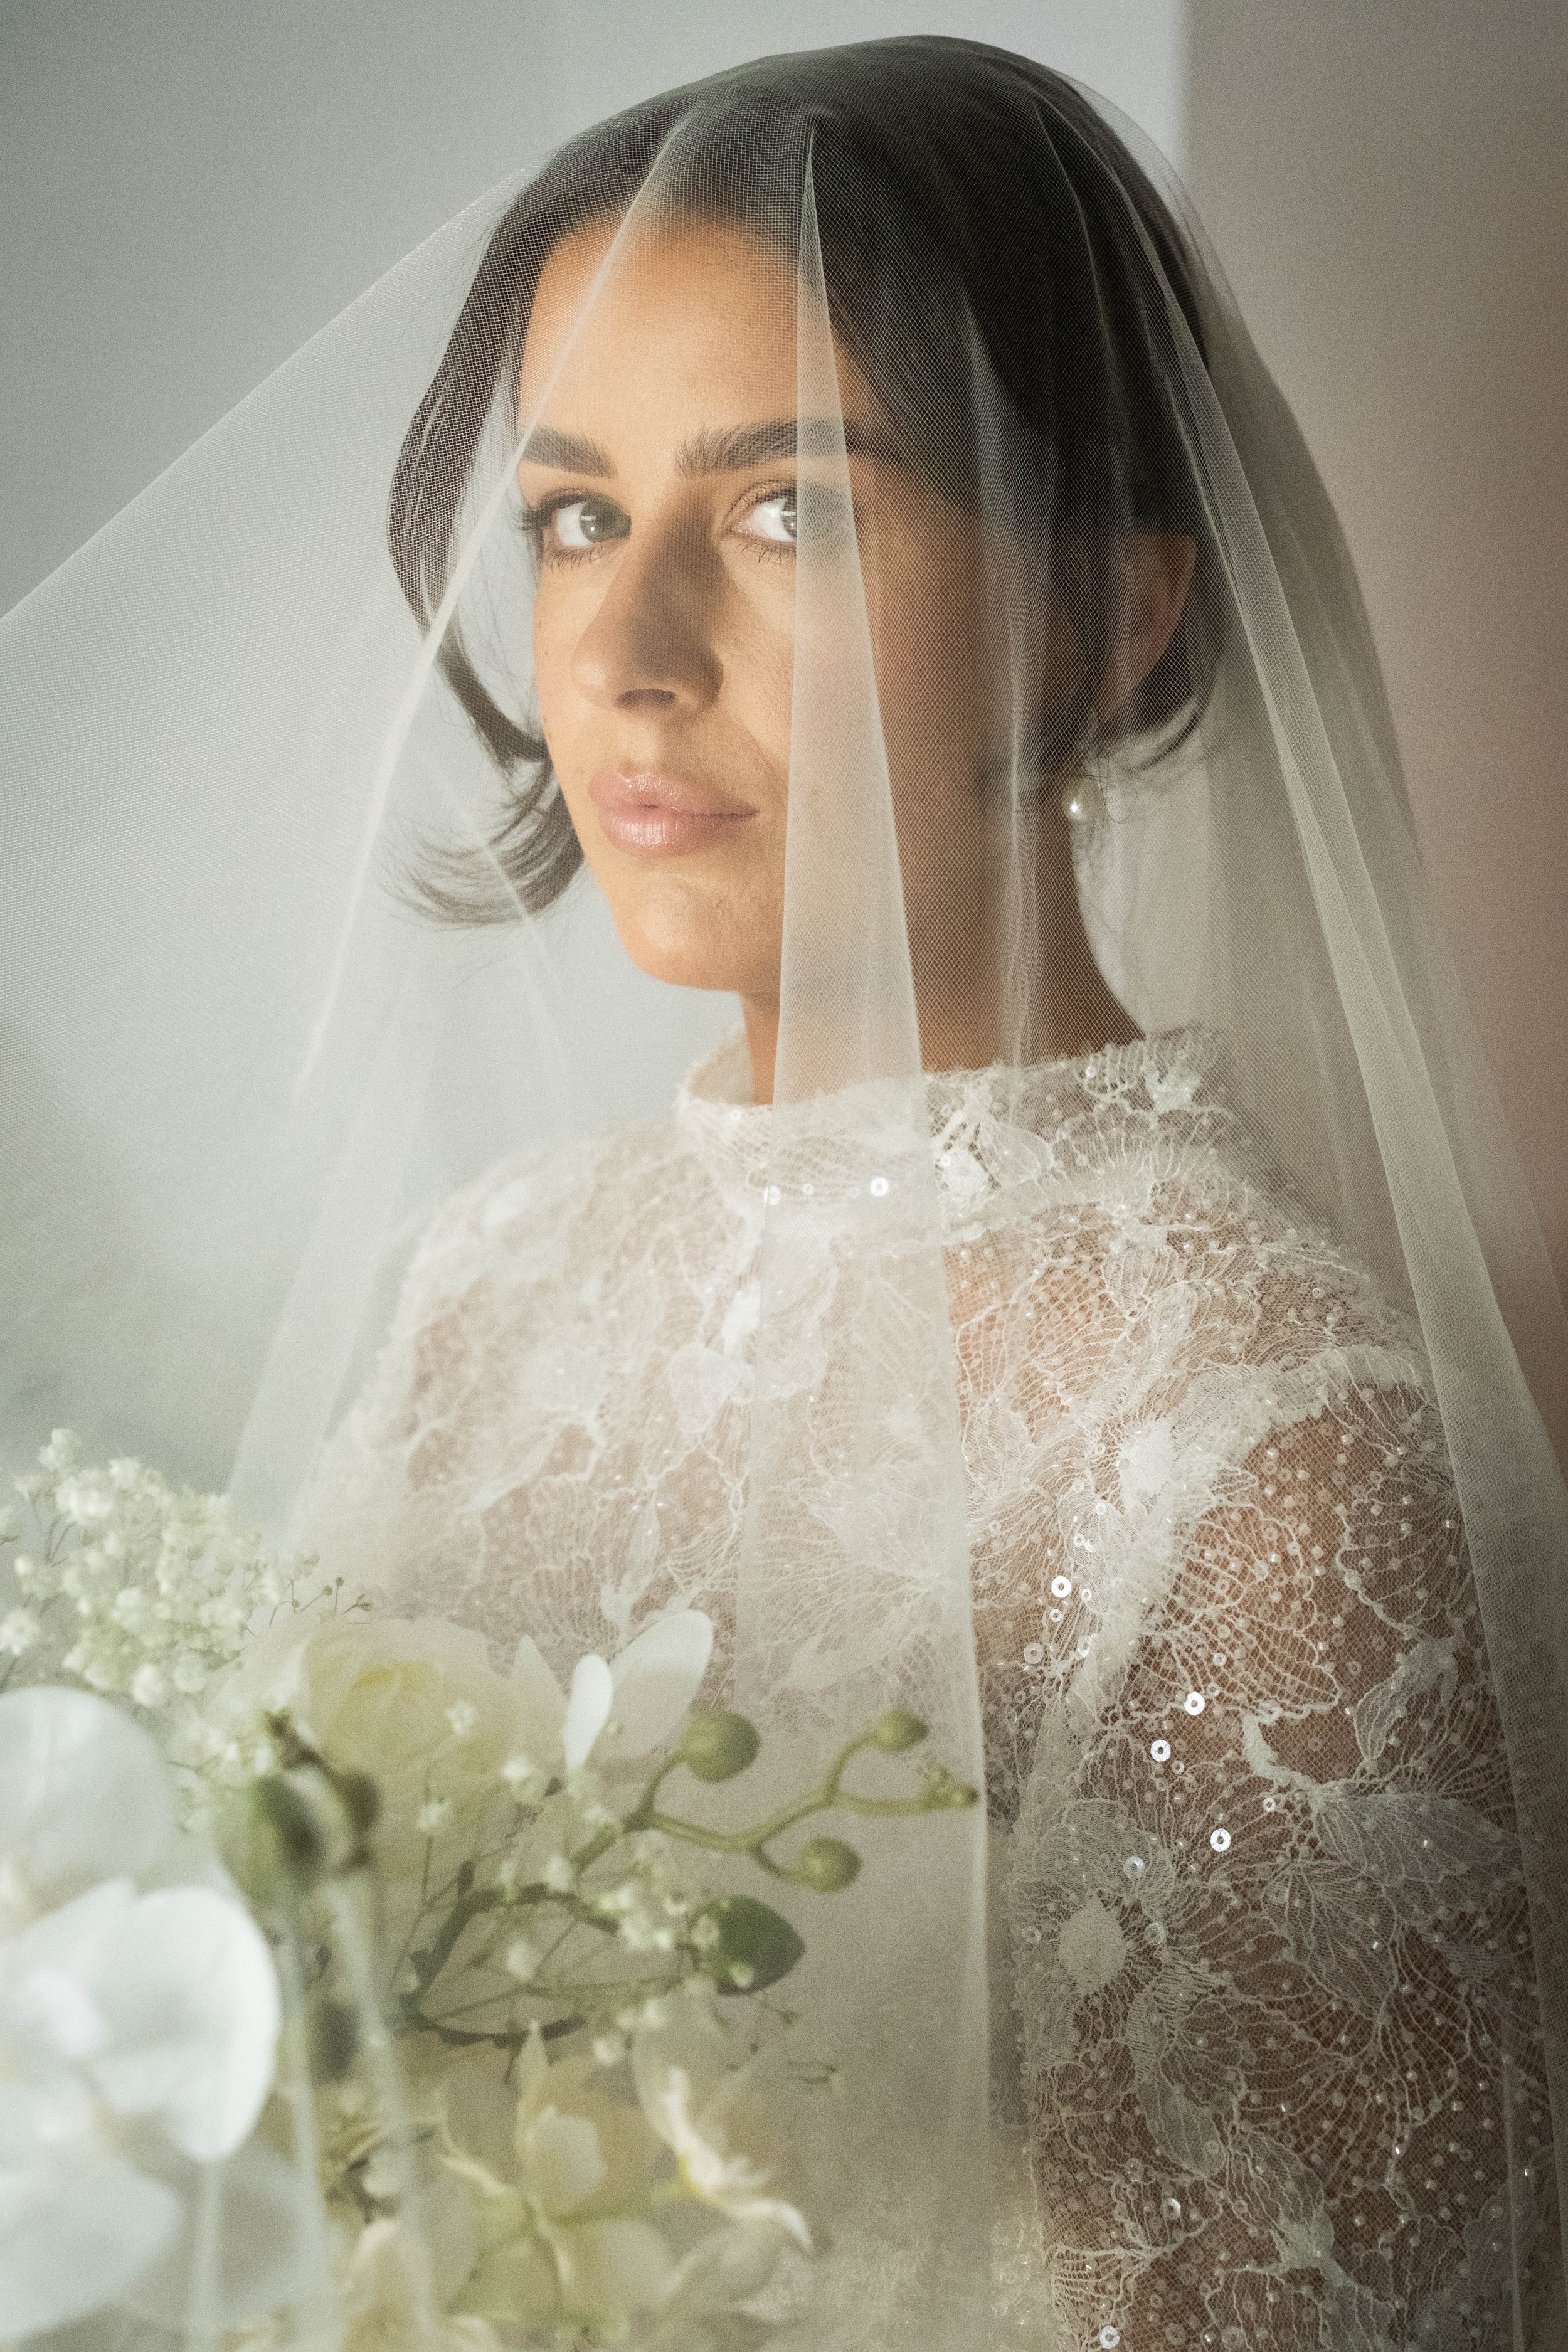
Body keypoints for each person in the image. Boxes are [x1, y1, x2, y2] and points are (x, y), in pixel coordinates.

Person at [5, 35, 1567, 2352]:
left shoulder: (1277, 1463)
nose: (622, 661)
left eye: (782, 511)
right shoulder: (479, 1284)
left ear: (1101, 616)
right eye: (569, 517)